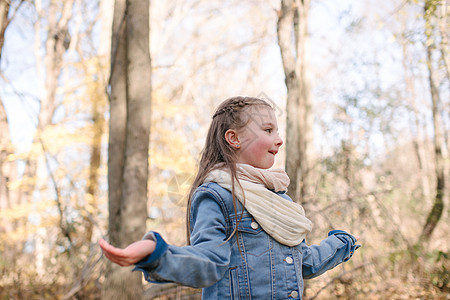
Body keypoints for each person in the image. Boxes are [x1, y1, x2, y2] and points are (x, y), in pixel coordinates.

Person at [99, 96, 360, 299]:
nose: (279, 140)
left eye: (277, 131)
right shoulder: (216, 196)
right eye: (268, 130)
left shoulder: (279, 201)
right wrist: (156, 253)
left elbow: (304, 262)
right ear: (233, 138)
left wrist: (342, 243)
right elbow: (208, 262)